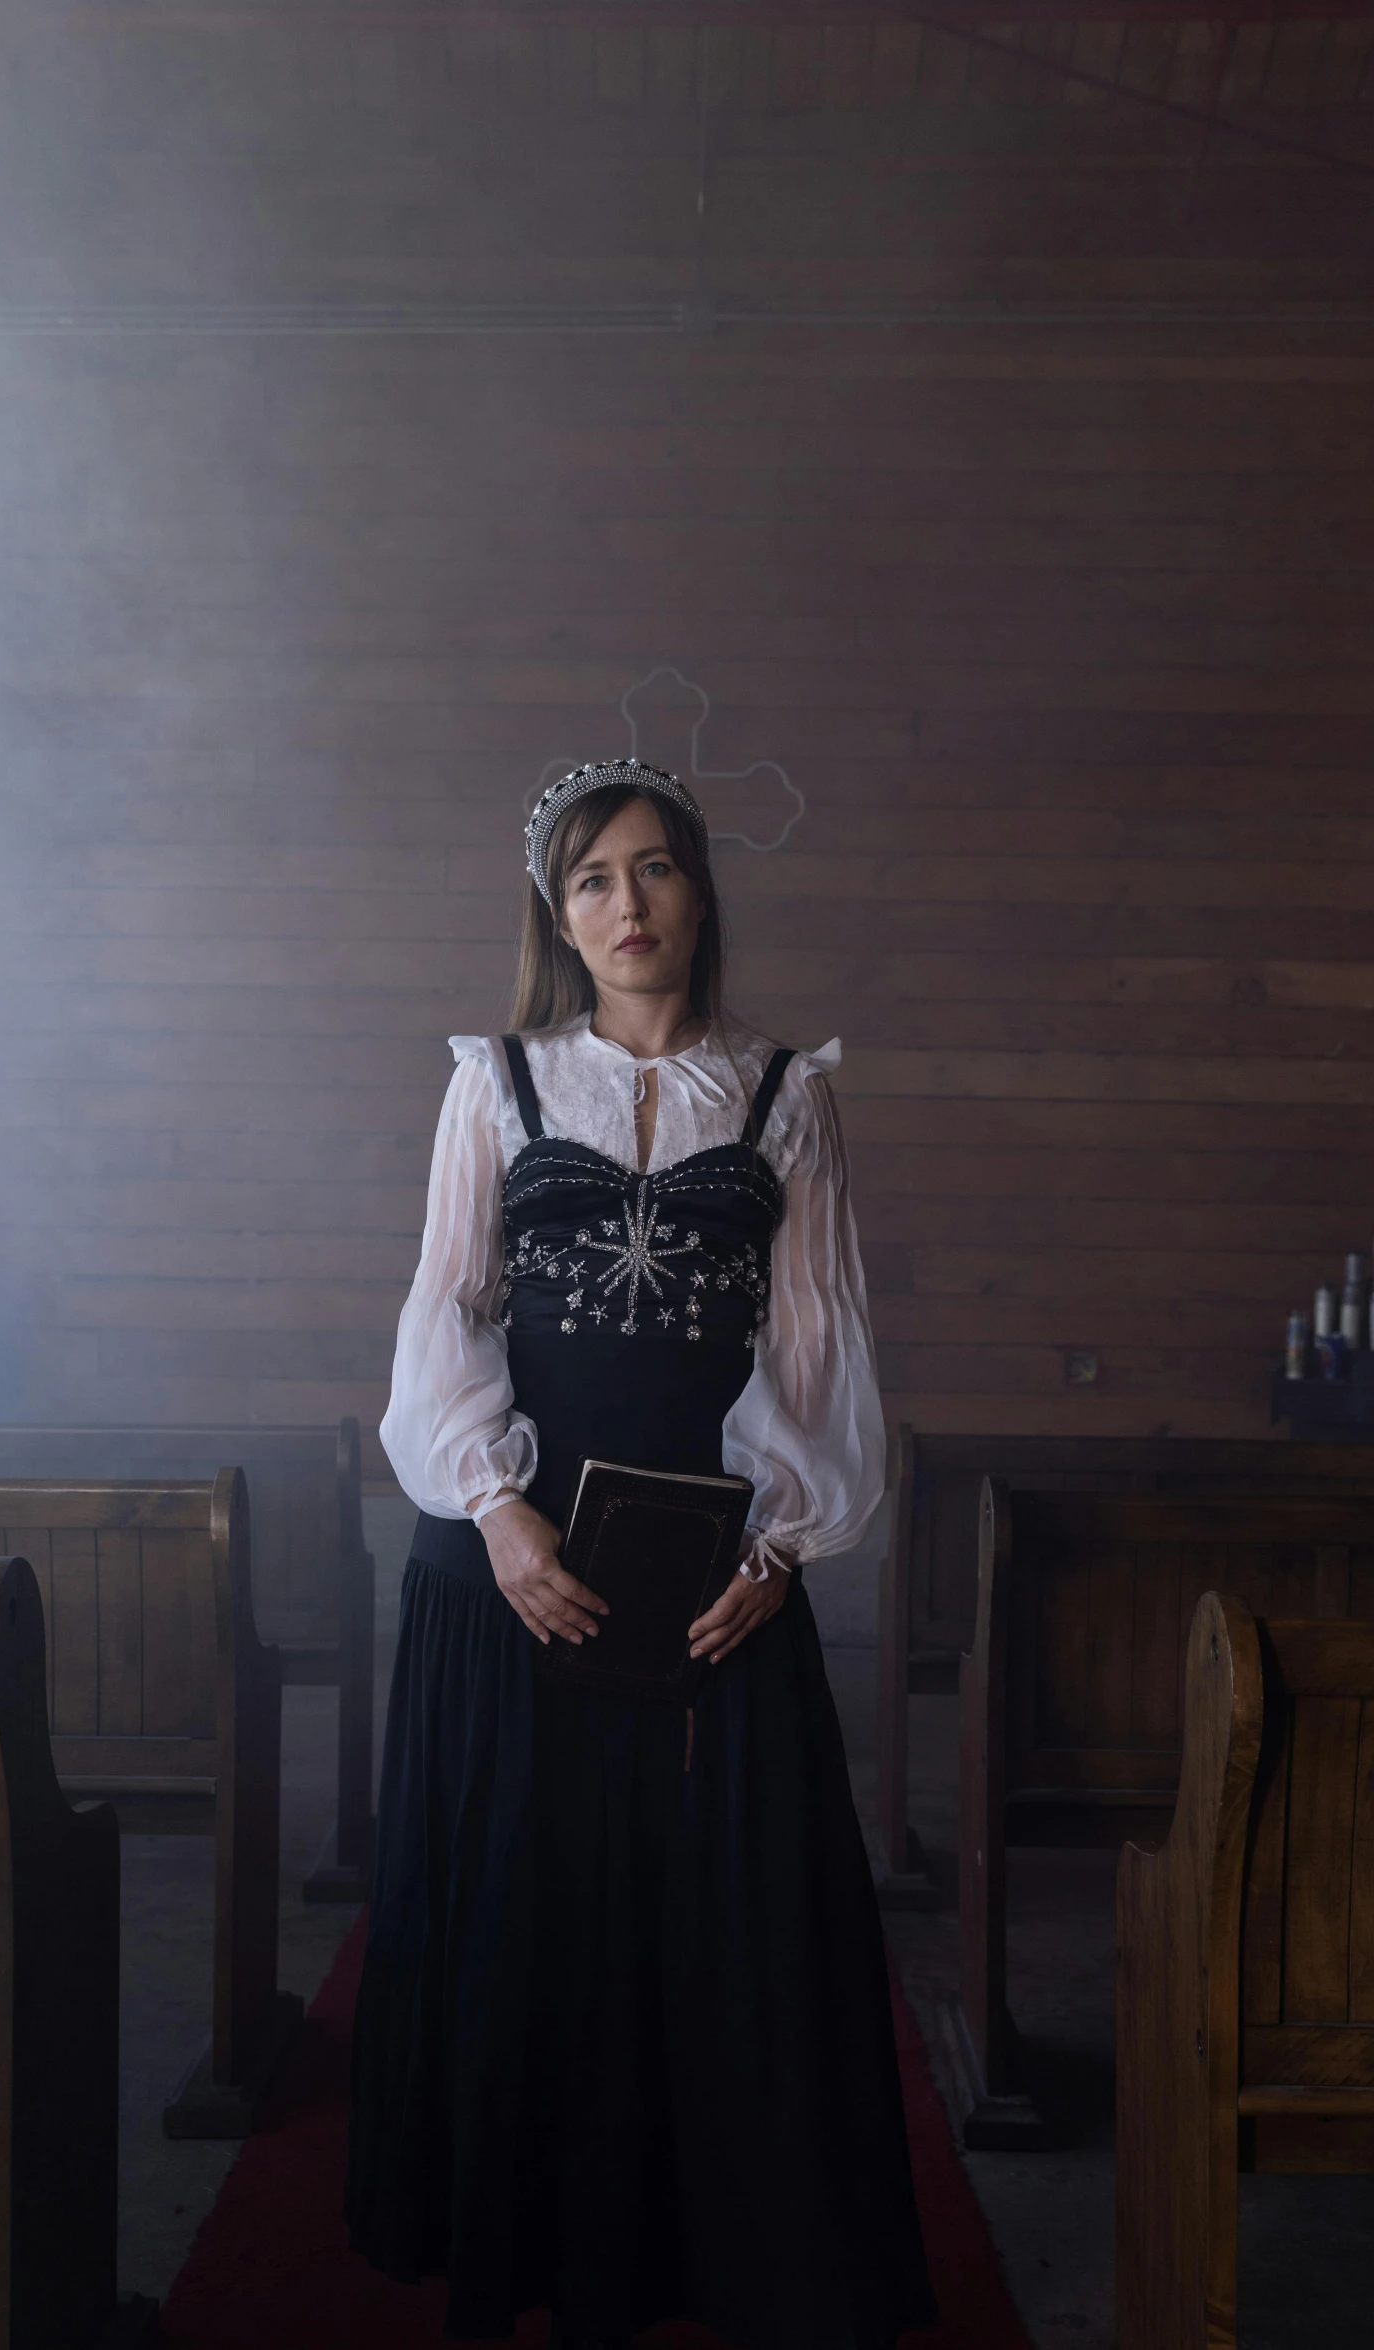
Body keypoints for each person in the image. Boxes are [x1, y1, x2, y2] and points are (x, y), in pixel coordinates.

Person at [346, 759, 935, 2350]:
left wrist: (785, 1541)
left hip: (712, 1576)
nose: (628, 902)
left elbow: (818, 1343)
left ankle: (704, 2250)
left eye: (655, 868)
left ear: (699, 892)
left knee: (713, 1915)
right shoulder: (501, 1084)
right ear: (557, 909)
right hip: (509, 1566)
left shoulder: (784, 1093)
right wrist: (497, 1506)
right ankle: (526, 2237)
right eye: (593, 877)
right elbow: (445, 1311)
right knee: (528, 1909)